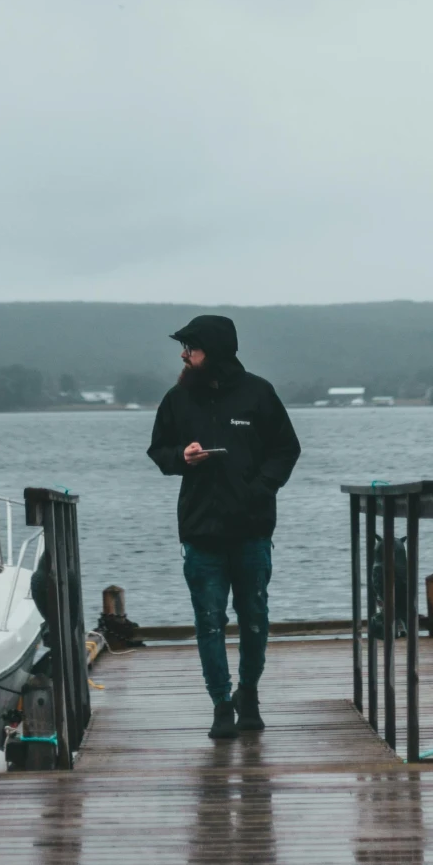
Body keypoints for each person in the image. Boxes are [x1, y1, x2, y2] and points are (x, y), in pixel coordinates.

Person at [147, 313, 301, 741]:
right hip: (201, 532)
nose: (184, 355)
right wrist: (183, 456)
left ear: (212, 352)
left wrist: (260, 489)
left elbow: (287, 448)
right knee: (209, 620)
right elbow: (158, 450)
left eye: (191, 348)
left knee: (254, 617)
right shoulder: (178, 399)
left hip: (252, 529)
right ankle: (221, 704)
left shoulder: (259, 393)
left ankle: (248, 694)